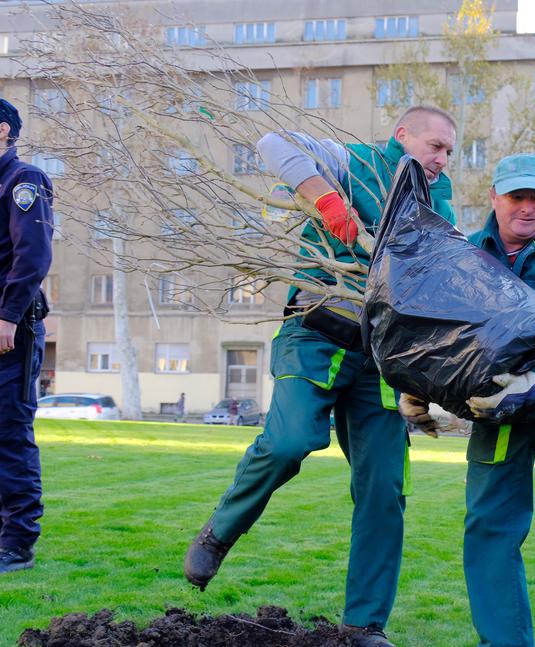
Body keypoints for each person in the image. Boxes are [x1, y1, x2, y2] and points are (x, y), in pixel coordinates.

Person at [183, 106, 456, 646]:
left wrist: (420, 382)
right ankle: (220, 532)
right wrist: (328, 200)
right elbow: (273, 141)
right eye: (434, 146)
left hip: (378, 358)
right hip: (315, 332)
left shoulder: (437, 205)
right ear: (402, 137)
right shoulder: (353, 164)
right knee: (291, 440)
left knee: (384, 487)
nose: (442, 159)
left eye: (449, 152)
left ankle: (364, 626)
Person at [399, 154, 535, 646]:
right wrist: (415, 387)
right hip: (497, 406)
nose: (528, 207)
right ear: (494, 198)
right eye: (517, 196)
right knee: (490, 520)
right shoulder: (469, 253)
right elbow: (445, 333)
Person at [0, 93, 53, 574]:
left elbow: (33, 257)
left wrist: (7, 316)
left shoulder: (26, 181)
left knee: (6, 437)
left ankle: (18, 542)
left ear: (4, 130)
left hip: (6, 331)